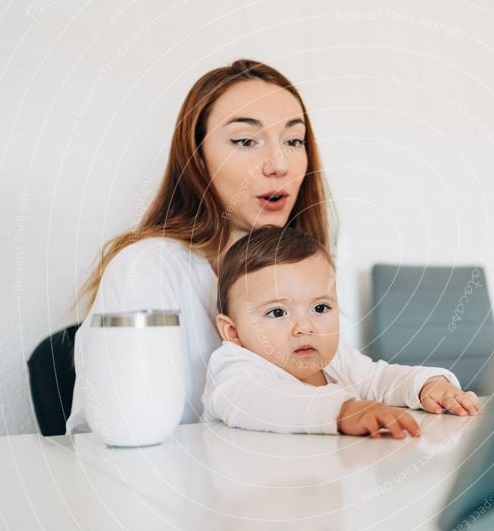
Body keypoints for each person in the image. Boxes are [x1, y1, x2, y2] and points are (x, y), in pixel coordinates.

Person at [66, 59, 333, 433]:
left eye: (293, 140)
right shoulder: (145, 269)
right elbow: (110, 441)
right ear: (198, 161)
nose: (279, 164)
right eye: (245, 141)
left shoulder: (303, 272)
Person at [202, 226, 482, 438]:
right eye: (277, 312)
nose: (305, 326)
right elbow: (260, 400)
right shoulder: (234, 369)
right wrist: (342, 411)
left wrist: (424, 384)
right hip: (257, 503)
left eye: (320, 308)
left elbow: (380, 379)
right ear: (233, 332)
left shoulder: (337, 360)